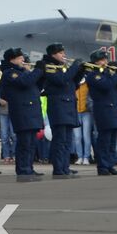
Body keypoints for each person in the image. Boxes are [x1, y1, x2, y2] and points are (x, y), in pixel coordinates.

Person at [0, 48, 44, 182]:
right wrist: (37, 70)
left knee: (31, 143)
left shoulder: (23, 72)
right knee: (24, 143)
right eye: (19, 58)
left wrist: (41, 74)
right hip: (22, 112)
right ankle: (23, 171)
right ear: (12, 60)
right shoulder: (10, 73)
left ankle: (29, 168)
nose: (23, 61)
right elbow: (24, 82)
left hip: (31, 111)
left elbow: (37, 86)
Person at [40, 44, 83, 178]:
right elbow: (61, 80)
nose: (63, 55)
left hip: (68, 106)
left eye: (63, 52)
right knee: (59, 140)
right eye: (60, 53)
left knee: (67, 141)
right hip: (58, 107)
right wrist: (74, 67)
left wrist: (80, 71)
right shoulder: (49, 66)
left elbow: (72, 84)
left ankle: (65, 167)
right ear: (53, 54)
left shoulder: (62, 67)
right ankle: (59, 169)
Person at [83, 49, 117, 175]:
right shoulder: (93, 75)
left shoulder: (107, 73)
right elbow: (107, 85)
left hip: (114, 109)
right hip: (104, 110)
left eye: (105, 60)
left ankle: (110, 164)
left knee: (112, 140)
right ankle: (103, 166)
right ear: (95, 62)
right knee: (104, 140)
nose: (105, 62)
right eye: (101, 60)